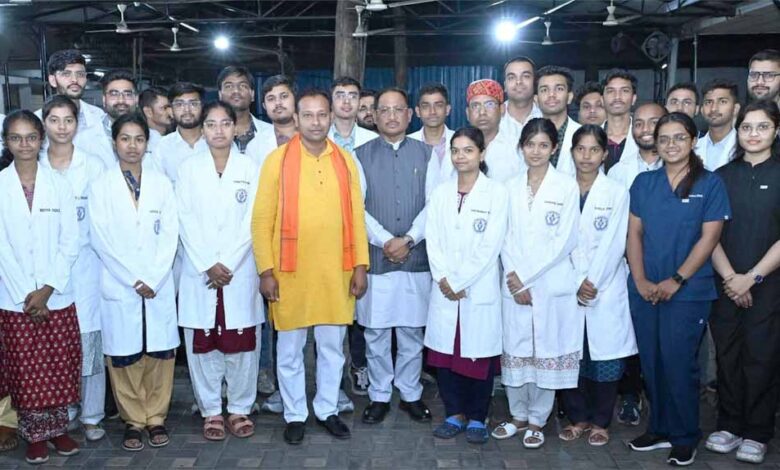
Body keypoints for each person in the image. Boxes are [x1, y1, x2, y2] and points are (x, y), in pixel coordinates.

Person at [251, 89, 369, 445]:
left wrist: (360, 265)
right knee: (290, 349)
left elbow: (357, 217)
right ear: (296, 119)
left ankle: (327, 410)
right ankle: (294, 414)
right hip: (290, 273)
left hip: (337, 270)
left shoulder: (345, 160)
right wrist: (266, 271)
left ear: (331, 117)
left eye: (322, 114)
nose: (316, 122)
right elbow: (261, 220)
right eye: (308, 115)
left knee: (332, 348)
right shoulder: (277, 160)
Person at [626, 112, 731, 467]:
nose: (671, 145)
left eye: (679, 137)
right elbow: (634, 234)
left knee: (678, 363)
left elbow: (709, 238)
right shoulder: (644, 183)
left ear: (693, 141)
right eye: (664, 139)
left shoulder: (710, 184)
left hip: (688, 292)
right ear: (656, 144)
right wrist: (640, 280)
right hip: (645, 290)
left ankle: (685, 435)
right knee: (652, 362)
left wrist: (677, 280)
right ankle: (659, 428)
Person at [88, 113, 179, 453]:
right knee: (124, 358)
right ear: (115, 143)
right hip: (120, 283)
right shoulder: (101, 186)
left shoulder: (162, 184)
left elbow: (170, 234)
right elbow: (101, 239)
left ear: (147, 143)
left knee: (159, 354)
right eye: (125, 139)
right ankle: (133, 420)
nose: (132, 146)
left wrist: (153, 277)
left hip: (157, 282)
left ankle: (155, 416)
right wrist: (133, 279)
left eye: (139, 139)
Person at [176, 101, 263, 442]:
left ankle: (240, 407)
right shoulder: (188, 169)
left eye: (225, 123)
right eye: (211, 124)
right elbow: (183, 218)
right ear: (202, 129)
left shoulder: (249, 167)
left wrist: (228, 262)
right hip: (200, 270)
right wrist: (207, 264)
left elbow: (253, 219)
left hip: (239, 269)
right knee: (203, 346)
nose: (218, 130)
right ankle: (211, 409)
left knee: (242, 346)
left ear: (234, 127)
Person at [492, 118, 580, 449]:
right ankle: (517, 415)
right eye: (530, 144)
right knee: (516, 348)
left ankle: (537, 420)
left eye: (544, 145)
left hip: (550, 282)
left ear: (554, 148)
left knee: (546, 350)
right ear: (521, 147)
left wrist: (525, 277)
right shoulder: (508, 187)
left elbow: (565, 240)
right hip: (514, 281)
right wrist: (514, 279)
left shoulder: (566, 187)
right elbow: (502, 236)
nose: (536, 151)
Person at [0, 110, 81, 464]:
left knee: (59, 365)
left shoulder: (59, 184)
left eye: (31, 137)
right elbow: (1, 247)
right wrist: (27, 295)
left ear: (41, 140)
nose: (24, 144)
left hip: (57, 295)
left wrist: (47, 290)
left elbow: (70, 242)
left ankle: (59, 430)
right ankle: (34, 435)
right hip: (14, 297)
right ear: (6, 142)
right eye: (16, 138)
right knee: (25, 368)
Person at [707, 100, 780, 464]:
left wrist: (751, 278)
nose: (753, 134)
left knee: (762, 357)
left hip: (768, 284)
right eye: (747, 127)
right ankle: (729, 424)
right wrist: (731, 279)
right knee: (728, 354)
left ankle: (757, 431)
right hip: (726, 283)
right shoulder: (720, 176)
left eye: (762, 127)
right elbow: (709, 234)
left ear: (776, 131)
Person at [425, 127, 508, 444]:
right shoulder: (441, 193)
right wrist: (444, 278)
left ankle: (477, 416)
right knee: (446, 356)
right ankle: (453, 413)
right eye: (456, 150)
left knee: (477, 357)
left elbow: (491, 245)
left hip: (477, 288)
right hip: (445, 289)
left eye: (468, 150)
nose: (461, 156)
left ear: (481, 153)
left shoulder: (496, 193)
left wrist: (458, 281)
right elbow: (433, 239)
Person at [356, 87, 432, 425]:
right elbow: (356, 208)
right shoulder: (359, 156)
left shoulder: (429, 154)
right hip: (378, 257)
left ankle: (411, 393)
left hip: (416, 258)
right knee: (376, 333)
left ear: (409, 114)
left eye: (397, 109)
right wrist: (387, 241)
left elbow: (435, 204)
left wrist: (410, 239)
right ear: (374, 115)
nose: (390, 116)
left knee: (411, 333)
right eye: (383, 110)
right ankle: (379, 395)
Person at [558, 125, 636, 447]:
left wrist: (591, 281)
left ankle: (601, 421)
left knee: (605, 357)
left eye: (594, 150)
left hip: (604, 285)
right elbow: (555, 242)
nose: (586, 156)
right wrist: (576, 281)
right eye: (580, 149)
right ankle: (577, 417)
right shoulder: (560, 189)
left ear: (604, 154)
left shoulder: (616, 192)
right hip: (567, 284)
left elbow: (615, 243)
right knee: (571, 354)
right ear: (572, 153)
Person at [39, 95, 107, 442]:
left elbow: (105, 219)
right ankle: (62, 408)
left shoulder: (93, 165)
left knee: (89, 340)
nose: (62, 127)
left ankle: (92, 415)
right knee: (55, 344)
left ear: (77, 125)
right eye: (54, 120)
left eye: (68, 120)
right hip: (46, 269)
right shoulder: (35, 165)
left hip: (87, 267)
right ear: (44, 123)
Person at [328, 76, 377, 400]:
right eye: (340, 95)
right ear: (331, 101)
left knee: (360, 307)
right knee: (327, 316)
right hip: (324, 239)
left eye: (352, 95)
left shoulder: (372, 140)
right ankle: (330, 384)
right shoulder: (316, 138)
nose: (346, 101)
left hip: (363, 233)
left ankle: (360, 366)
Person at [253, 74, 298, 414]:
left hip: (314, 249)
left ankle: (329, 395)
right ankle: (285, 393)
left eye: (284, 96)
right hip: (274, 249)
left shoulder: (315, 139)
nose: (278, 103)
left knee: (325, 333)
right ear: (264, 106)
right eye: (271, 98)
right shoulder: (256, 146)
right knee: (282, 330)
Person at [35, 49, 106, 143]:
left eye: (80, 74)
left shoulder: (99, 116)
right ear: (53, 80)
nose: (74, 80)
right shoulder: (37, 120)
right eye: (66, 74)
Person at [78, 70, 138, 168]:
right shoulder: (83, 139)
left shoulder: (155, 140)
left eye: (128, 94)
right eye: (114, 94)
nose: (121, 100)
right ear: (104, 99)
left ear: (136, 99)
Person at [465, 79, 522, 184]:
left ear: (502, 109)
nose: (482, 112)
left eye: (490, 104)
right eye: (475, 106)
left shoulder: (517, 146)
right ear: (468, 113)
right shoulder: (457, 148)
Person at [151, 82, 208, 184]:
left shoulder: (217, 141)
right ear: (171, 110)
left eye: (193, 104)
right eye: (179, 104)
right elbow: (158, 187)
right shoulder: (162, 147)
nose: (187, 110)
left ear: (203, 107)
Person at [216, 65, 273, 162]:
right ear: (220, 95)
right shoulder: (208, 137)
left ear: (252, 95)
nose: (236, 91)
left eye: (242, 86)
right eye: (229, 86)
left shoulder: (272, 133)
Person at [535, 65, 582, 176]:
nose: (551, 95)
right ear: (536, 100)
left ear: (569, 97)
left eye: (559, 89)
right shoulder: (524, 135)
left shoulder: (583, 135)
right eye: (544, 90)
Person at [609, 103, 667, 189]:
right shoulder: (617, 171)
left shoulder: (682, 167)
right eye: (638, 124)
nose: (645, 129)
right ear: (632, 130)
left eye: (654, 123)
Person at [410, 83, 455, 189]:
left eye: (438, 105)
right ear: (418, 111)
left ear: (447, 109)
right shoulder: (406, 145)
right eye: (426, 106)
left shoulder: (461, 141)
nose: (432, 112)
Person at [696, 79, 740, 171]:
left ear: (735, 108)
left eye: (722, 101)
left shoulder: (744, 147)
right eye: (708, 102)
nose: (714, 108)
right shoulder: (692, 148)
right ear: (702, 110)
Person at [499, 56, 543, 147]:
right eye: (511, 77)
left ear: (535, 83)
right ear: (505, 86)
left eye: (526, 76)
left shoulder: (546, 115)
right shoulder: (494, 118)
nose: (519, 82)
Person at [602, 69, 639, 172]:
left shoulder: (644, 136)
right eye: (611, 91)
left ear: (634, 99)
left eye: (624, 91)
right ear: (602, 99)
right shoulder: (592, 136)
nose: (617, 97)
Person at [138, 87, 172, 154]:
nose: (170, 112)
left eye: (171, 107)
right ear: (148, 112)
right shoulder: (142, 142)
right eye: (164, 108)